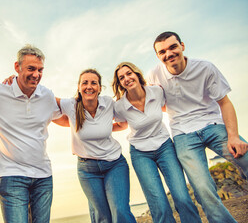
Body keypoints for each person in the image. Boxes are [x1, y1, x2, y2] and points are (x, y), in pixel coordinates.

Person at [147, 31, 248, 223]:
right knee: (202, 188)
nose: (168, 53)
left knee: (247, 158)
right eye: (162, 52)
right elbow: (153, 104)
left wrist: (233, 136)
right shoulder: (154, 75)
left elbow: (225, 102)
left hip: (212, 123)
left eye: (172, 47)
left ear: (182, 46)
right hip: (183, 134)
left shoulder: (205, 68)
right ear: (158, 56)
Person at [0, 45, 62, 223]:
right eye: (31, 69)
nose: (36, 74)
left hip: (43, 176)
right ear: (17, 67)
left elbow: (66, 116)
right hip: (12, 175)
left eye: (40, 70)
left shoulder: (47, 95)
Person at [112, 62, 201, 223]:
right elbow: (121, 124)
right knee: (158, 203)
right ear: (119, 84)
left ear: (137, 74)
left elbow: (171, 106)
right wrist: (101, 130)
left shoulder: (157, 91)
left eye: (129, 73)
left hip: (165, 146)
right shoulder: (120, 106)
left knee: (181, 195)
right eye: (121, 78)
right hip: (140, 153)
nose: (126, 78)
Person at [56, 69, 137, 223]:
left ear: (100, 88)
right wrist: (16, 80)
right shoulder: (70, 105)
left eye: (94, 83)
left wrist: (104, 129)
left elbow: (122, 124)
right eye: (85, 83)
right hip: (88, 170)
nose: (89, 86)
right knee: (103, 217)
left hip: (114, 164)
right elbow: (45, 100)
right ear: (79, 87)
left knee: (120, 211)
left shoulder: (108, 103)